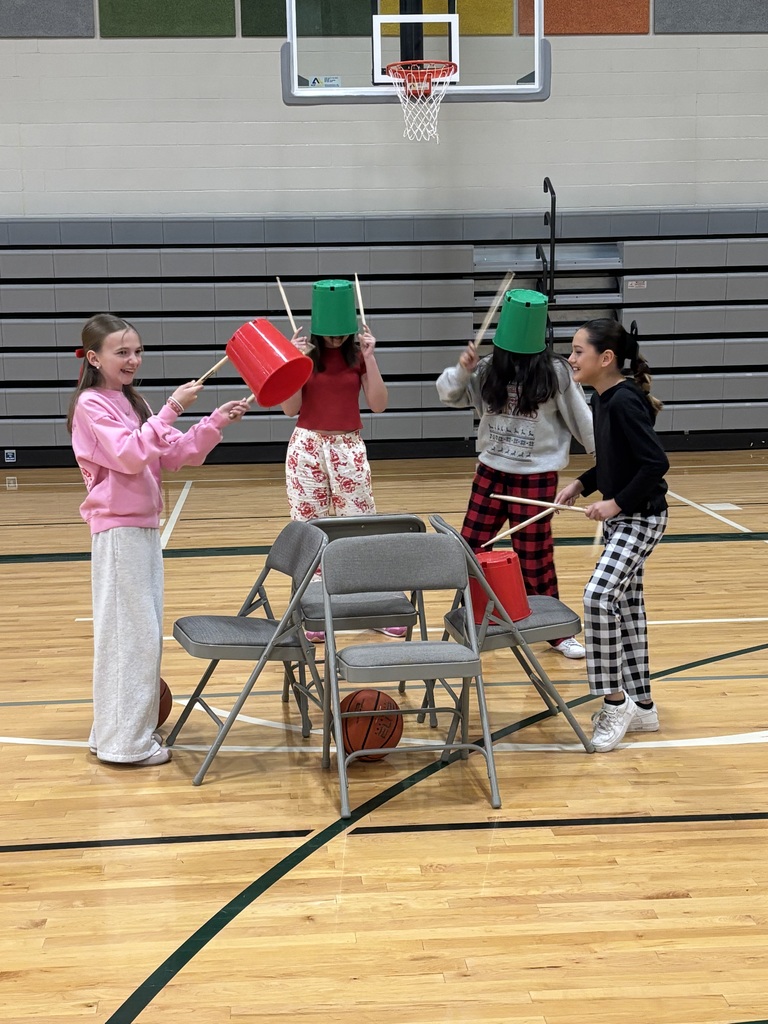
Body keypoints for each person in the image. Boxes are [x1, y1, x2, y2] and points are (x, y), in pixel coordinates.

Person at [67, 313, 249, 766]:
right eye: (121, 352)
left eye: (137, 351)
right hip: (119, 531)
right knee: (132, 636)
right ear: (94, 357)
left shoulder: (134, 402)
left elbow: (172, 455)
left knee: (134, 635)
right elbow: (129, 456)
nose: (133, 359)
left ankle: (111, 734)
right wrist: (174, 406)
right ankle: (125, 745)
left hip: (141, 529)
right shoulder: (92, 405)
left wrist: (214, 422)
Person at [436, 288, 595, 659]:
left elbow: (582, 419)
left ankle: (555, 631)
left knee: (535, 555)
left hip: (536, 477)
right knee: (471, 547)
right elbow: (447, 393)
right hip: (491, 471)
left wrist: (606, 459)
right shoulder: (489, 367)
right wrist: (463, 369)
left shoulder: (556, 372)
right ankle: (474, 617)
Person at [555, 318, 669, 752]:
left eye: (578, 351)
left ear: (605, 359)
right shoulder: (602, 398)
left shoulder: (623, 401)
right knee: (627, 609)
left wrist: (615, 504)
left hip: (641, 519)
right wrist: (582, 484)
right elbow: (615, 461)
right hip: (629, 517)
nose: (571, 358)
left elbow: (654, 465)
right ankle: (642, 706)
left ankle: (614, 701)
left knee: (597, 598)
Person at [281, 278, 406, 642]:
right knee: (310, 528)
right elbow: (290, 409)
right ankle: (316, 611)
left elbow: (379, 403)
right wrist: (293, 363)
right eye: (330, 335)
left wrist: (370, 357)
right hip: (306, 447)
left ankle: (371, 607)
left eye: (341, 334)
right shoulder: (306, 358)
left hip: (348, 446)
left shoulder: (357, 356)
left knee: (359, 528)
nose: (335, 340)